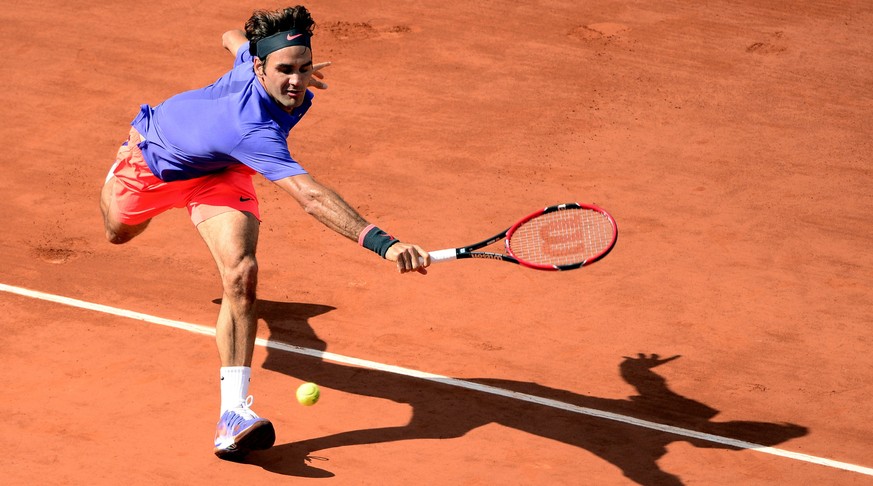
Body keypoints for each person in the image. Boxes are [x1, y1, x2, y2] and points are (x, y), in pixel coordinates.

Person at [98, 5, 430, 461]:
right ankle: (123, 171)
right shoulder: (253, 127)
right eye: (284, 71)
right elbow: (311, 197)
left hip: (222, 171)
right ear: (260, 67)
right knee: (119, 233)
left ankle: (232, 415)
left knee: (242, 275)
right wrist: (386, 245)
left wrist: (274, 60)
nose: (295, 81)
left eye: (304, 68)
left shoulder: (254, 63)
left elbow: (231, 34)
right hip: (153, 163)